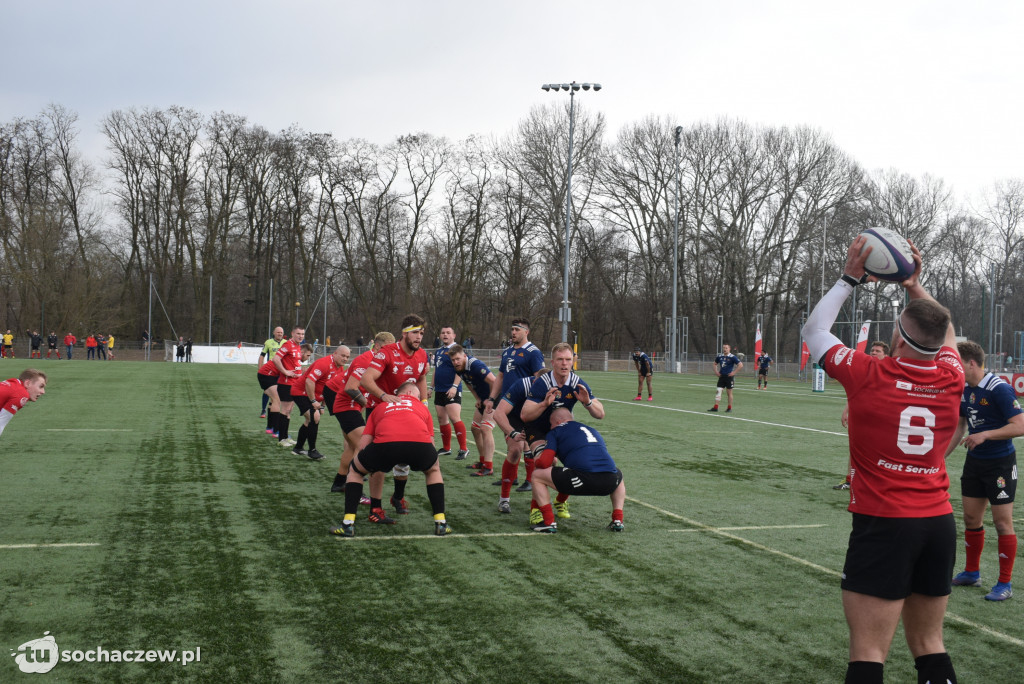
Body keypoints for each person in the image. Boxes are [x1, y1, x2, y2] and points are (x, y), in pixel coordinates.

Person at [802, 235, 962, 684]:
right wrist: (915, 286)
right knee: (930, 644)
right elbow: (944, 330)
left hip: (885, 523)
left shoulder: (869, 374)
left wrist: (849, 278)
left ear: (899, 334)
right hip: (937, 522)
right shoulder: (951, 375)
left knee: (869, 653)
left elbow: (815, 331)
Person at [947, 340, 1024, 602]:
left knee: (1002, 523)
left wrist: (986, 435)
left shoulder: (998, 389)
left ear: (971, 363)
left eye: (959, 364)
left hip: (999, 464)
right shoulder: (965, 389)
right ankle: (971, 572)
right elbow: (959, 427)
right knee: (970, 519)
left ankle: (1005, 583)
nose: (956, 369)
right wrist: (938, 458)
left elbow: (1020, 425)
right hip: (974, 463)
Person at [330, 380, 451, 537]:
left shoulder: (381, 407)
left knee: (355, 471)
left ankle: (348, 524)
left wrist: (370, 462)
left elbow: (364, 444)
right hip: (420, 446)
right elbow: (431, 443)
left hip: (385, 445)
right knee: (433, 470)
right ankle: (441, 523)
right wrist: (430, 462)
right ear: (409, 393)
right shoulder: (422, 407)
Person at [519, 343, 605, 523]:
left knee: (575, 464)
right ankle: (536, 509)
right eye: (560, 360)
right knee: (544, 463)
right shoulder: (542, 383)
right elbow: (525, 415)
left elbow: (600, 414)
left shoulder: (576, 382)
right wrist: (544, 404)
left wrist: (588, 402)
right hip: (539, 428)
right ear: (552, 362)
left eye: (568, 359)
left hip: (562, 429)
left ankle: (560, 501)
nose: (565, 364)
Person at [360, 314, 430, 513]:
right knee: (378, 460)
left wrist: (423, 402)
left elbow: (422, 378)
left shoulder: (422, 355)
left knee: (404, 455)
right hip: (380, 411)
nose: (419, 337)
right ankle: (375, 507)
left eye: (422, 333)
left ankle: (397, 497)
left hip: (406, 412)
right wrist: (383, 396)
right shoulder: (387, 352)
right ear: (404, 333)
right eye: (415, 332)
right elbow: (366, 379)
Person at [529, 408, 626, 533]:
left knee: (537, 475)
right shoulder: (592, 430)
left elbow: (544, 463)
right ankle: (618, 520)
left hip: (582, 479)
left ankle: (549, 522)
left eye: (551, 424)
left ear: (557, 422)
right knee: (618, 473)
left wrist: (536, 459)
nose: (551, 427)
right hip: (609, 482)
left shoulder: (556, 431)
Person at [329, 332, 394, 508]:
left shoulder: (374, 360)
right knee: (364, 449)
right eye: (389, 348)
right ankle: (356, 491)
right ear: (379, 346)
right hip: (346, 407)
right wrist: (366, 402)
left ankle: (339, 483)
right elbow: (351, 388)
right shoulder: (366, 360)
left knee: (351, 447)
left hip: (349, 407)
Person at [484, 317, 545, 494]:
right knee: (514, 445)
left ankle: (530, 480)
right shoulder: (508, 351)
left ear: (526, 332)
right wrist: (491, 398)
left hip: (526, 405)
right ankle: (514, 477)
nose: (513, 333)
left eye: (517, 329)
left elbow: (538, 378)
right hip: (508, 405)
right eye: (512, 329)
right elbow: (500, 376)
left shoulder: (533, 352)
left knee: (526, 443)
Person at [835, 341, 891, 490]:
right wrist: (846, 410)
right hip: (863, 415)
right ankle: (850, 480)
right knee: (855, 447)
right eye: (872, 350)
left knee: (881, 450)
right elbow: (855, 392)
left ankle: (878, 481)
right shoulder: (865, 369)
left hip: (882, 417)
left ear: (885, 355)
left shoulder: (890, 371)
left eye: (877, 351)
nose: (873, 353)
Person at [290, 344, 349, 461]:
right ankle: (312, 451)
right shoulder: (324, 363)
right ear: (335, 353)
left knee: (309, 420)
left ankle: (298, 448)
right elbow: (309, 381)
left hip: (313, 395)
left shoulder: (340, 368)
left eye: (347, 357)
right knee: (314, 417)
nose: (345, 359)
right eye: (343, 355)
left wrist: (322, 406)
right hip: (300, 392)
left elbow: (330, 388)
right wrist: (313, 401)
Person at [449, 344, 499, 476]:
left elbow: (494, 381)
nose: (456, 362)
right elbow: (467, 382)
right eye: (453, 360)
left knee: (485, 428)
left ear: (464, 356)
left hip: (495, 397)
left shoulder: (475, 365)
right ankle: (482, 461)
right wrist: (477, 398)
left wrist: (491, 399)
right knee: (475, 428)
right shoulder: (458, 368)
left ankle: (488, 467)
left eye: (458, 359)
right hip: (484, 398)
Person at [432, 325, 468, 460]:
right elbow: (436, 370)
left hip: (452, 389)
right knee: (442, 418)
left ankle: (464, 449)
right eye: (443, 333)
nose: (445, 335)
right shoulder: (439, 351)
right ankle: (447, 448)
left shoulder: (456, 350)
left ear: (454, 335)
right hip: (439, 390)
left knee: (454, 418)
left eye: (448, 332)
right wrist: (431, 387)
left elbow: (461, 369)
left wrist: (454, 386)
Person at [273, 327, 306, 448]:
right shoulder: (288, 344)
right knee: (285, 410)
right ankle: (281, 438)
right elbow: (276, 359)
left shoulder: (297, 346)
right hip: (286, 383)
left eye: (302, 334)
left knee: (289, 411)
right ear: (292, 334)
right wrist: (285, 371)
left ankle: (286, 436)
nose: (300, 336)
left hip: (294, 383)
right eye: (298, 333)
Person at [0, 369, 47, 437]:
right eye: (41, 386)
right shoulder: (21, 394)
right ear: (27, 383)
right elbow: (1, 423)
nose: (43, 392)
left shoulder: (13, 382)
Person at [258, 327, 286, 418]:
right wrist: (260, 368)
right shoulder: (268, 342)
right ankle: (263, 410)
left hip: (281, 371)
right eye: (278, 332)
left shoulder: (286, 343)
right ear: (274, 333)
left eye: (281, 332)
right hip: (270, 371)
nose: (279, 334)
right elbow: (262, 356)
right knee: (267, 391)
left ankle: (273, 409)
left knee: (277, 392)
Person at [708, 343, 742, 412]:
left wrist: (733, 373)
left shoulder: (732, 357)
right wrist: (716, 372)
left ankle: (729, 408)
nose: (725, 349)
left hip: (729, 377)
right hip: (721, 377)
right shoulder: (720, 356)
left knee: (729, 393)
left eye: (726, 348)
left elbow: (740, 365)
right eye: (724, 348)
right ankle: (715, 407)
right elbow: (714, 363)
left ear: (729, 349)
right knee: (718, 391)